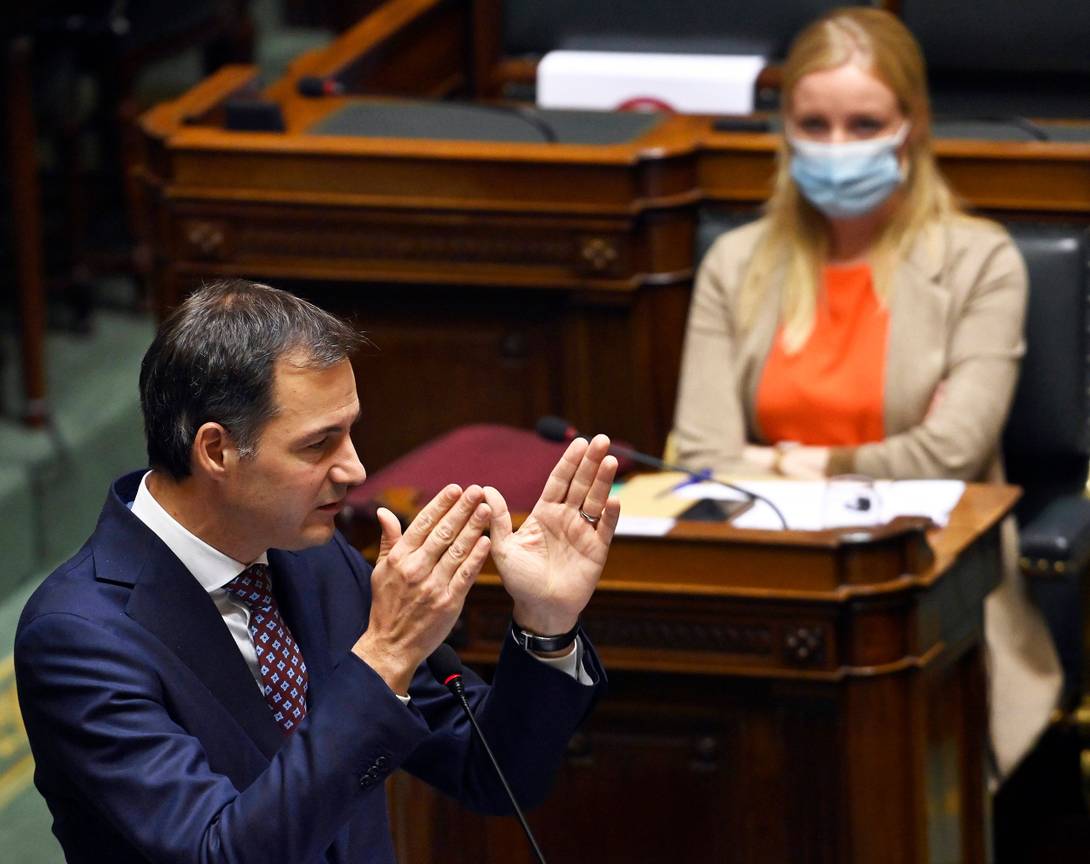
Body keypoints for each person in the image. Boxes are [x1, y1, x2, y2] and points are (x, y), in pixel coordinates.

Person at [14, 279, 621, 864]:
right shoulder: (79, 639)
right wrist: (386, 653)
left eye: (350, 432)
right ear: (217, 451)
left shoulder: (317, 561)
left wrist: (546, 624)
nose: (355, 470)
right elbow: (218, 851)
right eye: (318, 445)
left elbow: (488, 772)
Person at [672, 8, 1061, 786]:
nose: (836, 147)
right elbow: (705, 453)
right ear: (784, 129)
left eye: (864, 123)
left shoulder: (981, 261)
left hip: (924, 583)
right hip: (769, 578)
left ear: (911, 126)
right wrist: (861, 463)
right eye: (814, 123)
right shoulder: (736, 262)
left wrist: (788, 461)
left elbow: (946, 456)